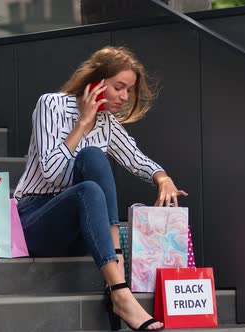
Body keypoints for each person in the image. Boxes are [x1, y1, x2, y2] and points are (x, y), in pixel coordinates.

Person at [13, 46, 187, 331]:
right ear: (96, 82)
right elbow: (51, 172)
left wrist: (162, 177)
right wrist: (82, 123)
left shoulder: (107, 122)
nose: (125, 97)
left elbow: (136, 158)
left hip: (78, 227)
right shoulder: (52, 105)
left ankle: (116, 283)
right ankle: (119, 289)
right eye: (119, 87)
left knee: (93, 161)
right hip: (34, 219)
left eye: (129, 90)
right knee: (90, 183)